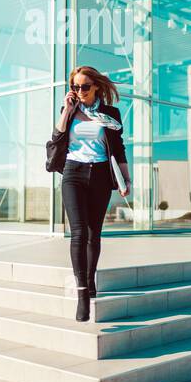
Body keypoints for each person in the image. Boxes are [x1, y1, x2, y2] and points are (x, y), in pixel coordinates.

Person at [50, 66, 131, 322]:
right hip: (73, 172)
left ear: (96, 86)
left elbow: (119, 149)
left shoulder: (110, 114)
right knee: (79, 232)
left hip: (99, 175)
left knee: (94, 232)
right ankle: (82, 293)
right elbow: (57, 135)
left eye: (85, 87)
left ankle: (90, 277)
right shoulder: (70, 110)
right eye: (75, 87)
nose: (80, 91)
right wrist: (67, 109)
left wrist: (125, 178)